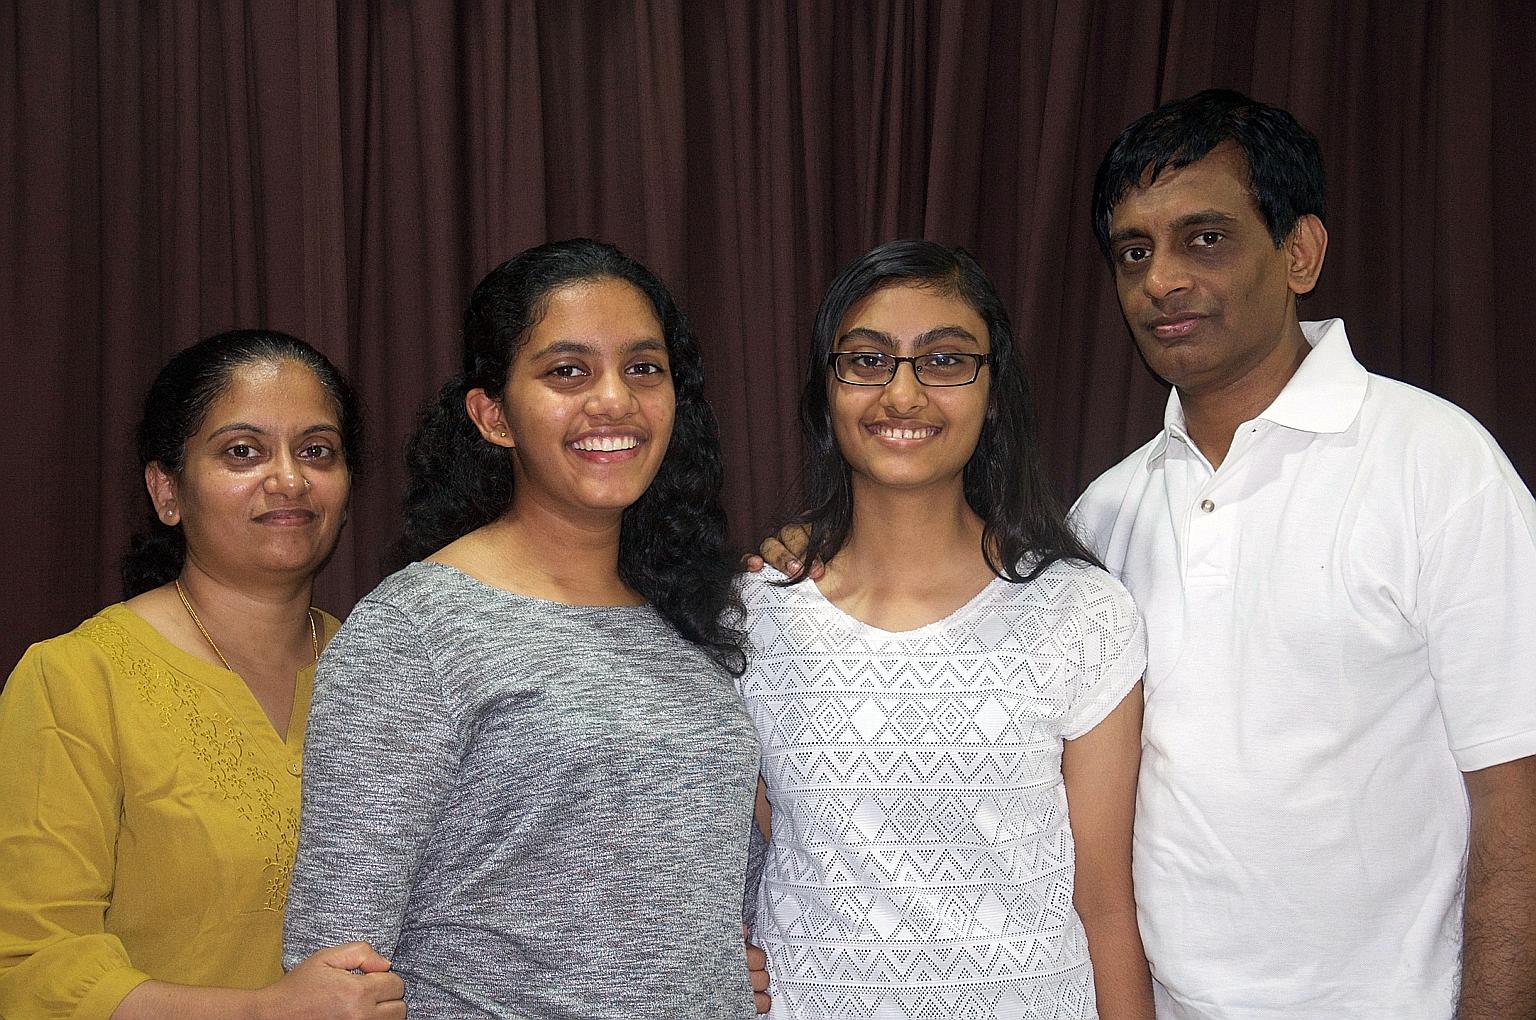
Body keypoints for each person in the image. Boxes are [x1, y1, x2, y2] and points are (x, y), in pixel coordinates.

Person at [1073, 89, 1536, 1017]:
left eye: (1204, 238)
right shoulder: (1101, 518)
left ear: (1300, 253)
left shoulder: (1437, 465)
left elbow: (1517, 796)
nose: (1161, 279)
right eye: (1135, 250)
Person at [282, 239, 761, 1019]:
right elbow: (337, 971)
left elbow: (700, 896)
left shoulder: (697, 622)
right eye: (567, 371)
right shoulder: (414, 632)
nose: (614, 400)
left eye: (644, 368)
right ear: (493, 415)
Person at [740, 240, 1153, 1018]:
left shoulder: (1080, 615)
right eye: (866, 360)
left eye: (943, 359)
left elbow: (1103, 902)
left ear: (994, 390)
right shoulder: (756, 617)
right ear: (827, 391)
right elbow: (780, 836)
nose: (902, 394)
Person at [0, 330, 405, 1019]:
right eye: (242, 451)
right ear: (167, 490)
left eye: (317, 451)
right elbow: (31, 968)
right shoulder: (77, 678)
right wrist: (268, 1011)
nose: (289, 479)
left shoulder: (389, 670)